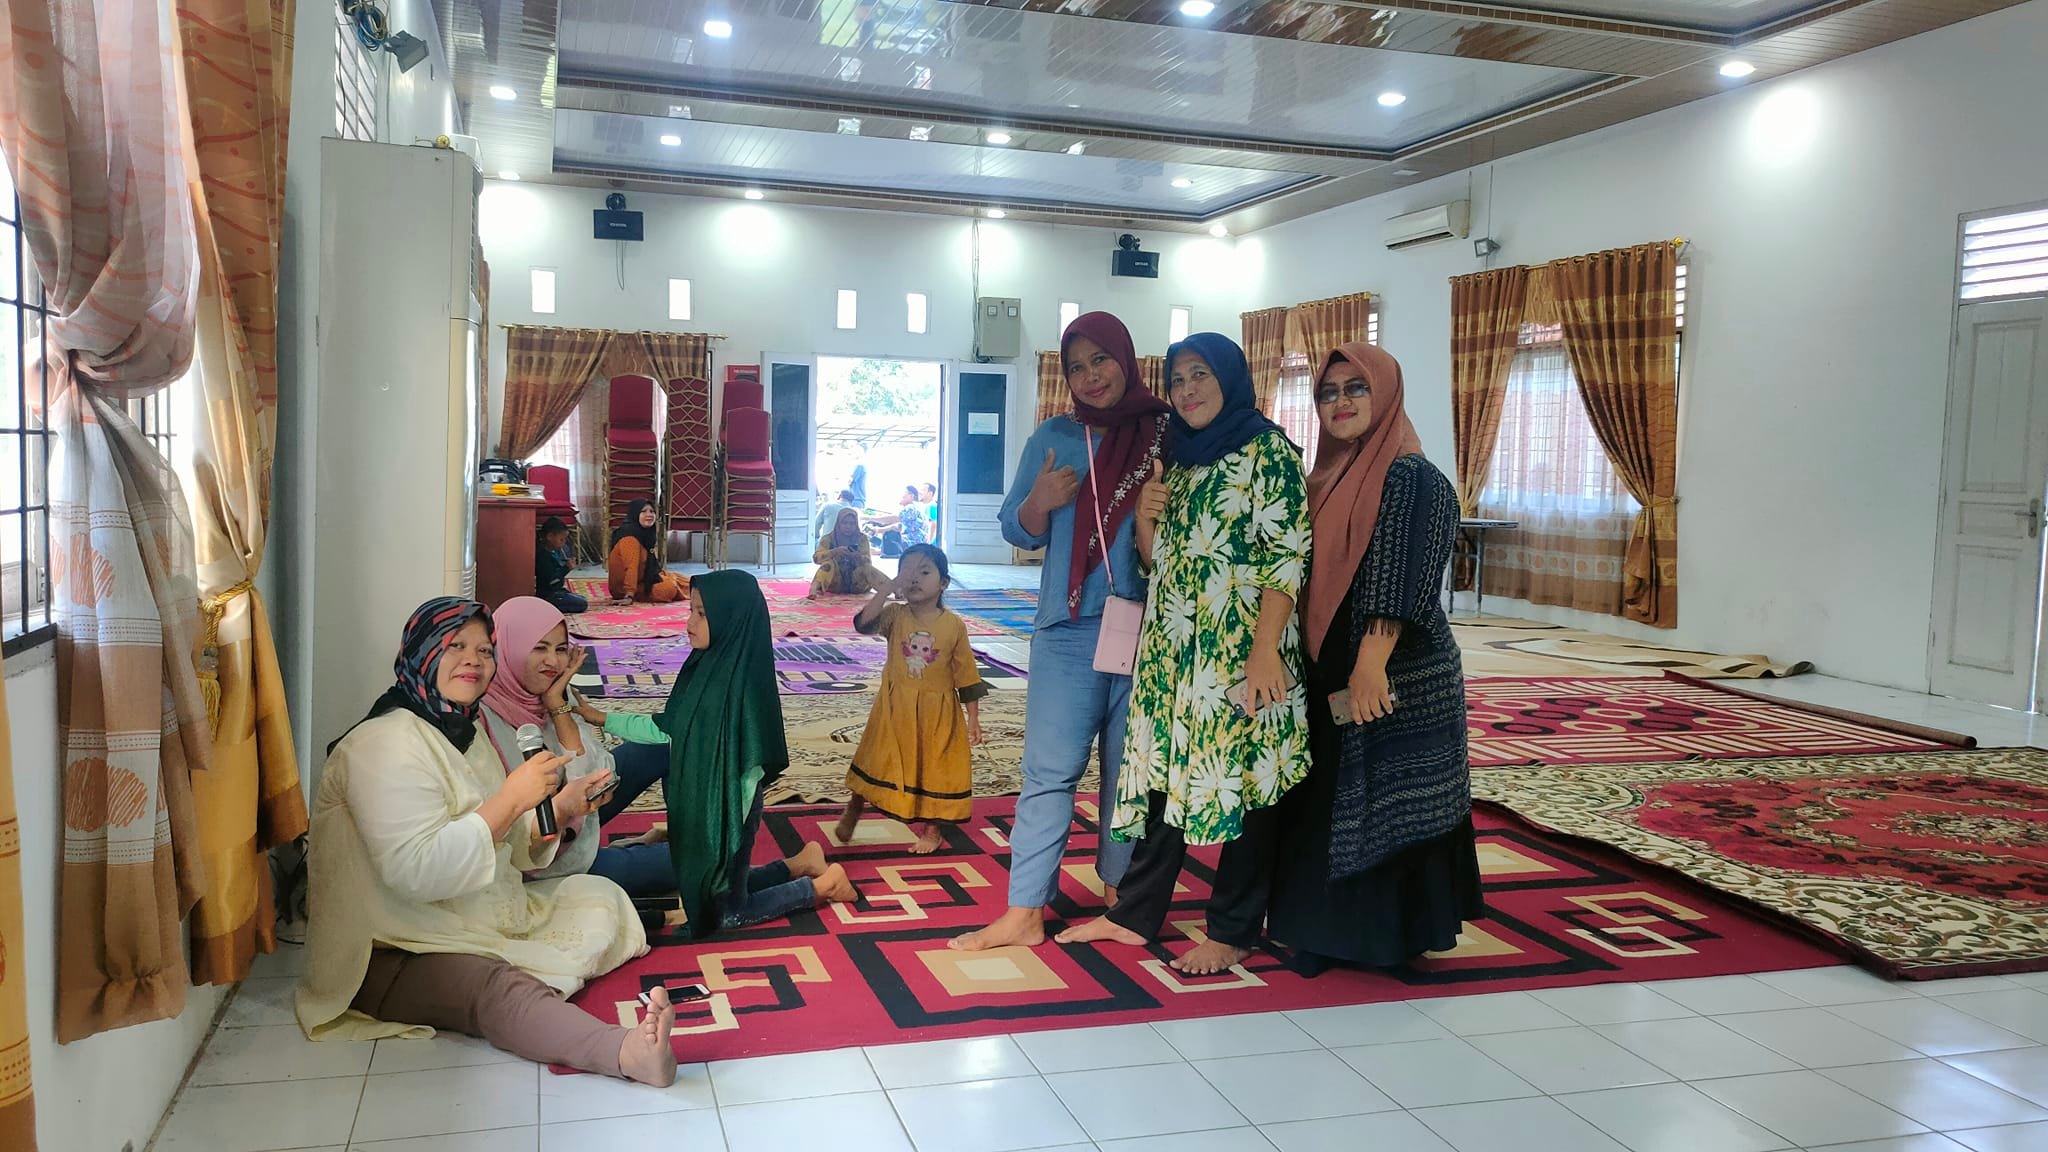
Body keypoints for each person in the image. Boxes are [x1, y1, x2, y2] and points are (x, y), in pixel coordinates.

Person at [295, 598, 675, 1086]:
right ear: (423, 653)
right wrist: (511, 800)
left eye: (484, 650)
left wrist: (560, 810)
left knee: (598, 896)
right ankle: (624, 1053)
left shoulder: (462, 729)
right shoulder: (382, 743)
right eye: (456, 646)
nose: (473, 661)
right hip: (391, 944)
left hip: (466, 909)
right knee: (493, 988)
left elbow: (512, 843)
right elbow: (417, 873)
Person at [1057, 332, 1312, 976]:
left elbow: (1287, 558)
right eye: (1176, 380)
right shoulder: (1180, 456)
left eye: (1200, 375)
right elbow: (1158, 562)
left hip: (1240, 652)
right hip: (1175, 652)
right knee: (1169, 778)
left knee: (1246, 783)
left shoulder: (1267, 452)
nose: (1187, 390)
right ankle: (1134, 914)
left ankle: (1232, 930)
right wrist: (1146, 520)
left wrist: (1264, 652)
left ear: (1230, 377)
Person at [952, 311, 1170, 951]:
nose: (1091, 376)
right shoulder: (1054, 435)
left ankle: (1120, 898)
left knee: (1130, 770)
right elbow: (1014, 528)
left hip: (1150, 629)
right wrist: (1039, 501)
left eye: (1101, 360)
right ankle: (1025, 910)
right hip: (1068, 628)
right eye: (1076, 367)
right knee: (1050, 770)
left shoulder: (1164, 433)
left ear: (1126, 359)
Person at [1267, 344, 1483, 973]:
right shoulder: (1327, 479)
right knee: (1332, 798)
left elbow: (1401, 579)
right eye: (1328, 392)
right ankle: (1324, 933)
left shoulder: (1413, 477)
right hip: (1331, 666)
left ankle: (1378, 940)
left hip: (1393, 671)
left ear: (1385, 393)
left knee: (1380, 802)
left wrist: (1369, 667)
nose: (1341, 402)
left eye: (1356, 388)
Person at [576, 571, 858, 934]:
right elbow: (668, 730)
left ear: (730, 618)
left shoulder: (742, 687)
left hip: (730, 808)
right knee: (714, 890)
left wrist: (724, 833)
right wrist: (600, 717)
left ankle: (825, 885)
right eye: (691, 611)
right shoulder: (705, 666)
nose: (689, 623)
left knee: (727, 913)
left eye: (701, 614)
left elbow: (748, 771)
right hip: (707, 803)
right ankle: (800, 864)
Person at [478, 597, 678, 898]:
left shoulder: (551, 692)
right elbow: (518, 829)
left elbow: (598, 776)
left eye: (560, 649)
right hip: (543, 859)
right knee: (694, 863)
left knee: (665, 746)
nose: (553, 662)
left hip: (580, 812)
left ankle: (682, 834)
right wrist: (566, 804)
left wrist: (558, 708)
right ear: (507, 647)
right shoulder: (484, 718)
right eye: (539, 648)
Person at [834, 544, 988, 854]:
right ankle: (856, 804)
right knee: (875, 757)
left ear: (943, 583)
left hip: (937, 715)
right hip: (894, 709)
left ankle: (932, 829)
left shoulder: (953, 626)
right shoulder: (895, 616)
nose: (915, 578)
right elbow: (863, 623)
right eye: (908, 572)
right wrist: (886, 589)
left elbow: (966, 674)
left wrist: (973, 717)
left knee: (937, 768)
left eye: (925, 572)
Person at [606, 500, 689, 604]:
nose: (649, 514)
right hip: (624, 589)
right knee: (669, 588)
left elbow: (650, 565)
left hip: (642, 580)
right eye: (644, 511)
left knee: (682, 579)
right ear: (635, 514)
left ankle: (699, 587)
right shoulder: (629, 538)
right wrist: (629, 594)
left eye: (652, 511)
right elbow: (631, 567)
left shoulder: (644, 534)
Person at [810, 507, 881, 599]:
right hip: (835, 583)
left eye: (852, 523)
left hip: (857, 583)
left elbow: (868, 561)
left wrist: (856, 556)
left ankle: (891, 589)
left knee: (867, 568)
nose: (848, 526)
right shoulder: (828, 538)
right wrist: (834, 552)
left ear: (856, 524)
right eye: (844, 523)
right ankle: (813, 589)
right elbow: (816, 559)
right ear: (838, 523)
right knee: (828, 564)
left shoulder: (861, 538)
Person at [534, 517, 586, 615]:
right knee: (581, 604)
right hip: (548, 594)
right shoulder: (543, 556)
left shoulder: (554, 552)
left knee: (581, 598)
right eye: (561, 539)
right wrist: (566, 568)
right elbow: (552, 581)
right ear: (550, 536)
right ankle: (546, 606)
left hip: (556, 591)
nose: (564, 542)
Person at [868, 485, 930, 558]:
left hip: (912, 545)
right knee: (877, 541)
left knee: (889, 536)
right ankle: (879, 550)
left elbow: (895, 518)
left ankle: (881, 551)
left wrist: (868, 518)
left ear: (911, 496)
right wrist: (877, 530)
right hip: (918, 546)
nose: (901, 496)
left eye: (904, 493)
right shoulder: (917, 508)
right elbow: (897, 527)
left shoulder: (911, 507)